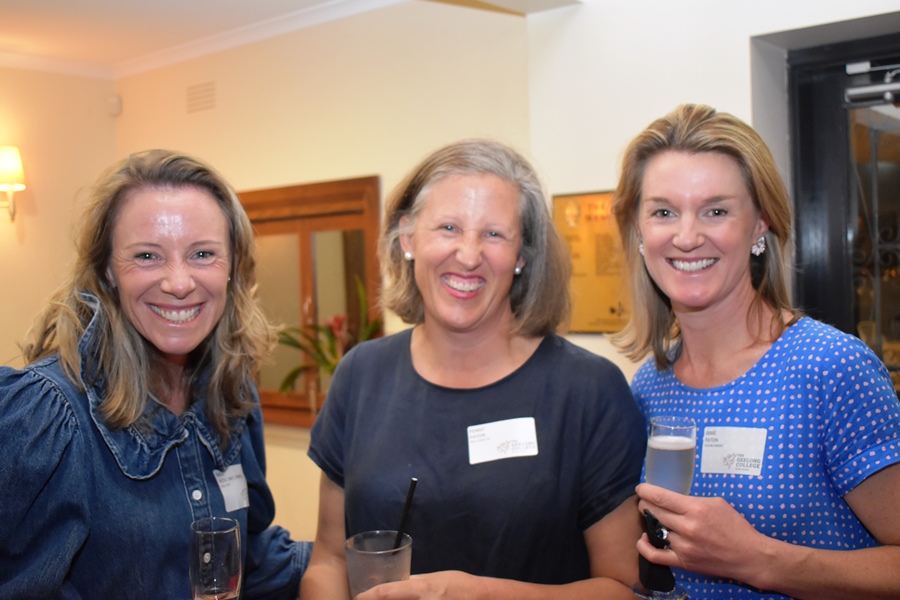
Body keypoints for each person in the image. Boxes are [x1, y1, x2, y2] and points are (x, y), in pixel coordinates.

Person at [300, 138, 647, 599]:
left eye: (494, 234)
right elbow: (329, 559)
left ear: (522, 256)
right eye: (448, 227)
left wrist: (478, 595)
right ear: (408, 238)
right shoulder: (360, 375)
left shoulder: (587, 390)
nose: (468, 254)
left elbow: (625, 588)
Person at [612, 103, 900, 599]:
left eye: (716, 211)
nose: (686, 236)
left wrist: (761, 561)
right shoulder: (651, 384)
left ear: (760, 225)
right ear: (639, 232)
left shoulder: (829, 368)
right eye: (663, 212)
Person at [0, 149, 311, 599]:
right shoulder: (47, 417)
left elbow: (250, 557)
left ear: (232, 267)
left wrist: (345, 562)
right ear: (108, 270)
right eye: (147, 256)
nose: (179, 282)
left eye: (203, 253)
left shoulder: (229, 390)